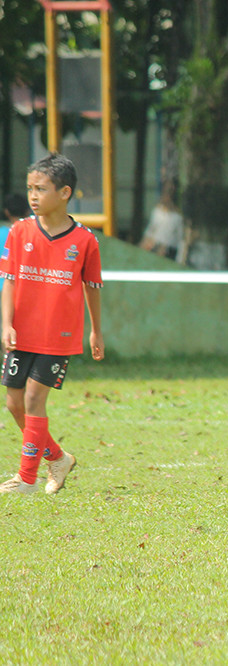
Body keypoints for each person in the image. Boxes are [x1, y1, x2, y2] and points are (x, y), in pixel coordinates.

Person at [0, 153, 104, 494]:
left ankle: (27, 478)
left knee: (32, 399)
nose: (32, 196)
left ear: (64, 193)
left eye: (41, 189)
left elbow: (92, 287)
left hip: (58, 336)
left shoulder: (85, 240)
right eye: (30, 188)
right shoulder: (19, 231)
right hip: (22, 331)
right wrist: (6, 324)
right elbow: (10, 280)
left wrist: (95, 330)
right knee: (14, 403)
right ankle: (58, 458)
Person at [140, 179, 183, 260]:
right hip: (155, 248)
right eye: (167, 192)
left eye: (170, 192)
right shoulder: (157, 212)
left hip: (169, 251)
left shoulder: (177, 217)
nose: (168, 196)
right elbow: (150, 231)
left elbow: (179, 240)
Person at [1, 194, 31, 294]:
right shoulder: (34, 234)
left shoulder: (2, 234)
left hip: (3, 288)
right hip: (25, 290)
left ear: (7, 212)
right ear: (27, 211)